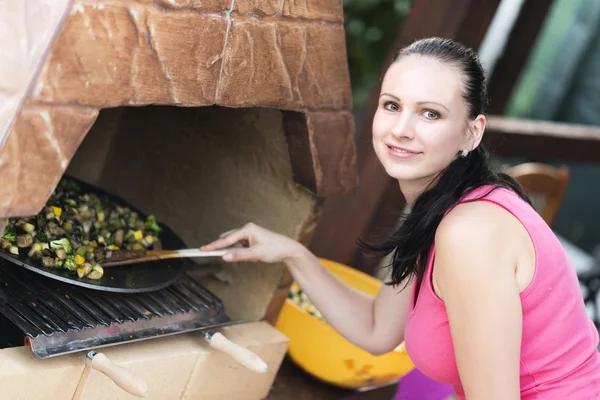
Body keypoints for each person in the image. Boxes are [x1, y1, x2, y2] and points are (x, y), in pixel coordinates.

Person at [202, 37, 600, 399]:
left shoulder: (470, 233)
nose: (401, 130)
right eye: (392, 106)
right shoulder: (438, 209)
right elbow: (378, 329)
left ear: (471, 133)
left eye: (430, 114)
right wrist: (293, 254)